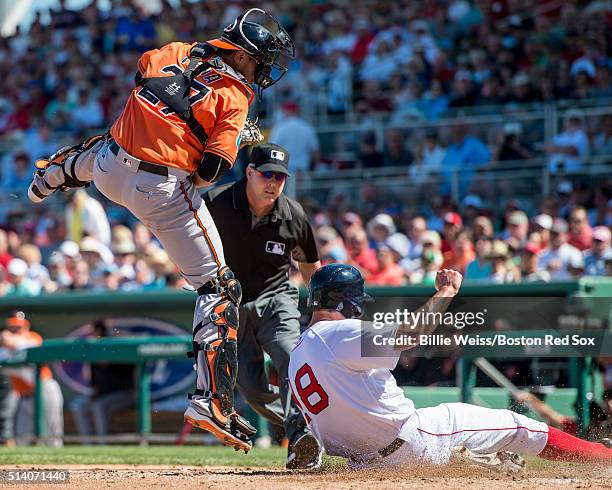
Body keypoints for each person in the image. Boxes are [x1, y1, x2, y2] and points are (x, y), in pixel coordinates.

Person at [27, 8, 295, 453]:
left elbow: (143, 76)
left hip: (111, 170)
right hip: (162, 189)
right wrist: (225, 136)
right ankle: (213, 401)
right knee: (220, 288)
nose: (265, 68)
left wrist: (179, 105)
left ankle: (51, 174)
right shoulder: (235, 95)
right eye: (263, 59)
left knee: (112, 140)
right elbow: (209, 172)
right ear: (245, 56)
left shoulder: (178, 51)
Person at [288, 264, 612, 471]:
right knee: (519, 426)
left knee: (469, 449)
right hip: (413, 440)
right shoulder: (340, 332)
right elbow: (411, 334)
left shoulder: (298, 353)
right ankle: (606, 460)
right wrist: (447, 292)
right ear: (349, 301)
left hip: (362, 464)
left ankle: (469, 459)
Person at [204, 143, 322, 468]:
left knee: (289, 355)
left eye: (280, 177)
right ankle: (308, 426)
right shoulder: (216, 203)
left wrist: (322, 311)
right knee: (251, 389)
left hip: (276, 298)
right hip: (232, 304)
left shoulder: (292, 214)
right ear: (250, 173)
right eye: (267, 174)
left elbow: (311, 266)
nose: (273, 182)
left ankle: (300, 436)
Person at [0, 311, 63, 446]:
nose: (16, 329)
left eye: (19, 326)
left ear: (26, 326)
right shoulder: (3, 347)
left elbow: (19, 346)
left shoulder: (33, 337)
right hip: (24, 394)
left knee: (53, 432)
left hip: (44, 388)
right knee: (23, 435)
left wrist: (7, 340)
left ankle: (57, 462)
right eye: (13, 326)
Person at [69, 320, 135, 444]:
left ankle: (103, 443)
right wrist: (95, 394)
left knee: (99, 406)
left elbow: (126, 378)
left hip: (124, 394)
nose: (95, 336)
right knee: (78, 405)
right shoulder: (95, 353)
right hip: (103, 396)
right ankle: (88, 444)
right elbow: (95, 384)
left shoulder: (119, 349)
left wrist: (111, 362)